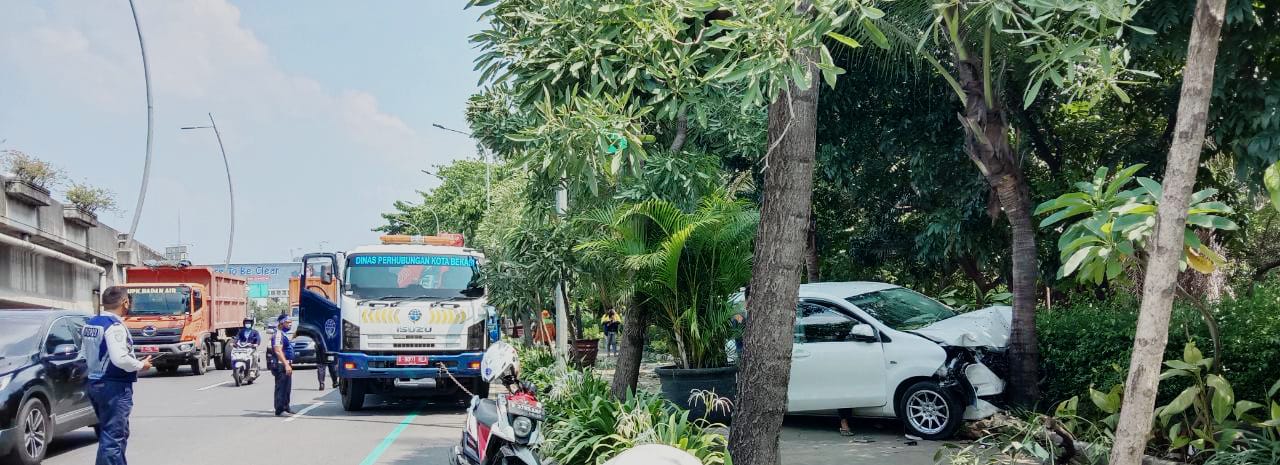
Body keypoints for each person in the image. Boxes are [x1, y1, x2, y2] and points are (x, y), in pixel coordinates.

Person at [82, 286, 153, 465]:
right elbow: (120, 359)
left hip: (95, 383)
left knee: (113, 434)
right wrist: (140, 365)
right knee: (113, 437)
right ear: (125, 302)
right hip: (114, 386)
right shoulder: (115, 327)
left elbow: (85, 354)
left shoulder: (92, 323)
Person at [270, 314, 296, 416]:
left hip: (286, 364)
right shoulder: (278, 335)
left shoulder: (283, 334)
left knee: (287, 388)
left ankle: (286, 407)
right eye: (287, 322)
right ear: (281, 323)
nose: (290, 325)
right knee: (281, 387)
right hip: (281, 365)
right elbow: (278, 351)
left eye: (290, 323)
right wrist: (286, 365)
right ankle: (280, 409)